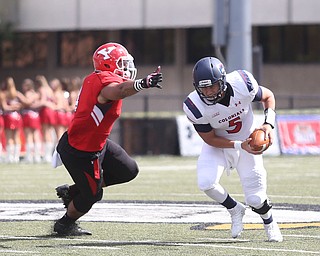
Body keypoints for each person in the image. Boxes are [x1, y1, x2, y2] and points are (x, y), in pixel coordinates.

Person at [52, 42, 163, 236]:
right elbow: (118, 90)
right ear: (107, 65)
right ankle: (64, 224)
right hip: (81, 152)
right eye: (121, 63)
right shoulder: (104, 82)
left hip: (97, 144)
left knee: (128, 170)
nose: (127, 68)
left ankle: (72, 191)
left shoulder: (99, 79)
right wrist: (142, 83)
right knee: (93, 195)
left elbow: (119, 88)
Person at [183, 57, 283, 242]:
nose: (208, 92)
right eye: (203, 88)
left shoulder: (242, 84)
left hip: (248, 142)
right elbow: (210, 138)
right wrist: (239, 145)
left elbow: (268, 97)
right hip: (220, 145)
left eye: (212, 86)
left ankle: (269, 222)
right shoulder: (194, 105)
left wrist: (268, 124)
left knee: (255, 199)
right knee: (206, 183)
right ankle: (235, 209)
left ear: (222, 80)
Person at [0, 77, 23, 163]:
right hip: (17, 116)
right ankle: (16, 157)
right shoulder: (16, 93)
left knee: (9, 136)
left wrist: (12, 107)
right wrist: (17, 106)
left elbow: (5, 107)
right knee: (16, 137)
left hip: (8, 117)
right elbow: (26, 102)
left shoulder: (3, 94)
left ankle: (10, 157)